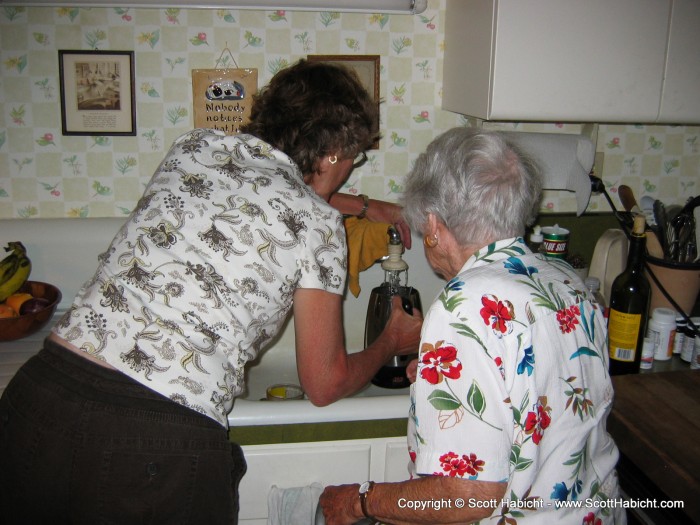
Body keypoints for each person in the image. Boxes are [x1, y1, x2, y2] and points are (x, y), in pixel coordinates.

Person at [0, 60, 422, 524]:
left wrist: (363, 205)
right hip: (149, 444)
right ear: (335, 153)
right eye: (354, 158)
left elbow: (259, 185)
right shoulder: (318, 225)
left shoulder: (194, 147)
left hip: (37, 401)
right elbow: (325, 385)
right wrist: (390, 342)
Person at [320, 127, 624, 524]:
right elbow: (537, 395)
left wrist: (360, 502)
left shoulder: (464, 305)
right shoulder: (566, 280)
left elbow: (466, 496)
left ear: (432, 225)